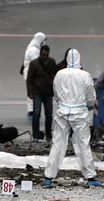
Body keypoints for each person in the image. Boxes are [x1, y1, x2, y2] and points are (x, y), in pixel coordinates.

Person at [43, 49, 102, 188]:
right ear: (79, 59)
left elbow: (56, 92)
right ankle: (90, 178)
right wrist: (87, 104)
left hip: (63, 112)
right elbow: (91, 96)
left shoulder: (60, 74)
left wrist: (62, 102)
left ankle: (48, 177)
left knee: (58, 144)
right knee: (83, 145)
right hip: (79, 113)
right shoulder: (85, 75)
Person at [26, 45, 57, 143]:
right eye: (43, 55)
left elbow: (55, 75)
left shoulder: (52, 62)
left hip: (48, 92)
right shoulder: (34, 63)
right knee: (36, 114)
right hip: (37, 92)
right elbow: (29, 79)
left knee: (49, 115)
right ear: (40, 54)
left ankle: (48, 136)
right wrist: (30, 92)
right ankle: (35, 136)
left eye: (46, 55)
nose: (44, 57)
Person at [23, 32, 47, 119]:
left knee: (32, 93)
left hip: (31, 74)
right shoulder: (34, 50)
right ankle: (32, 112)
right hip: (32, 74)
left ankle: (33, 111)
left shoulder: (33, 48)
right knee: (32, 93)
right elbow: (36, 64)